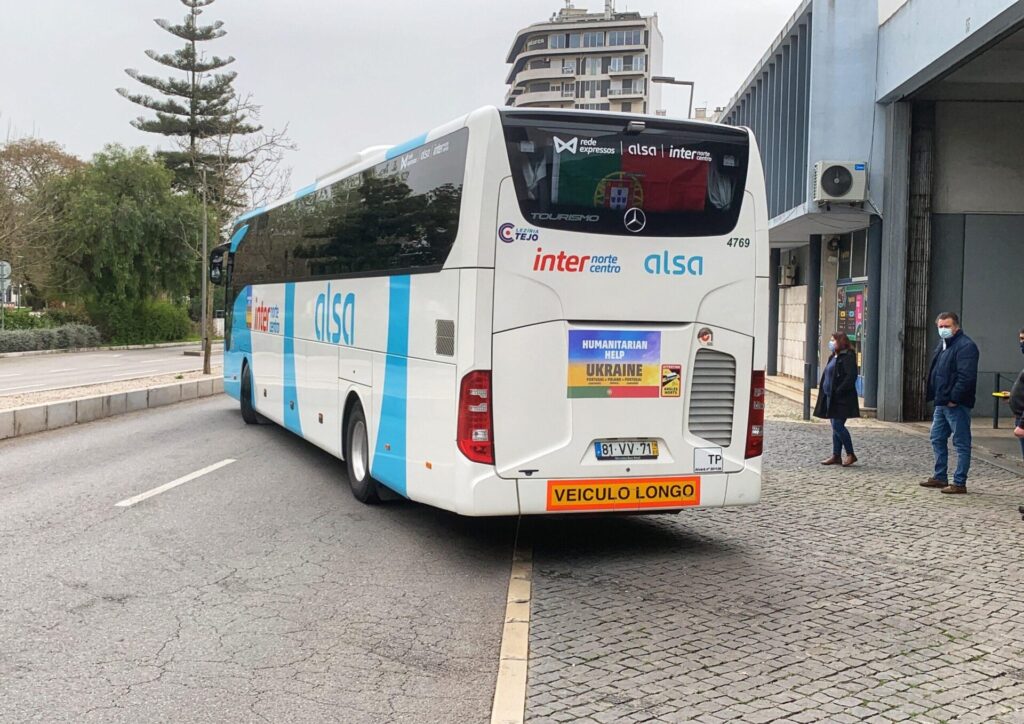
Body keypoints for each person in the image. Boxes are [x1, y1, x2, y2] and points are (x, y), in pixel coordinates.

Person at [920, 312, 980, 494]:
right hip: (942, 402)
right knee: (936, 437)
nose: (943, 330)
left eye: (947, 326)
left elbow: (966, 377)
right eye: (940, 326)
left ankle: (959, 482)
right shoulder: (943, 344)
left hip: (956, 404)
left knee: (961, 442)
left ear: (956, 327)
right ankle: (940, 476)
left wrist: (954, 398)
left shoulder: (966, 346)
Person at [814, 332, 860, 467]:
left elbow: (850, 377)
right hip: (830, 397)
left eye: (833, 340)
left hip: (842, 399)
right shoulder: (833, 356)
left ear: (840, 341)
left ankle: (851, 454)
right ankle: (836, 455)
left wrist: (839, 390)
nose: (831, 342)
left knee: (838, 425)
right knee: (834, 427)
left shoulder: (848, 357)